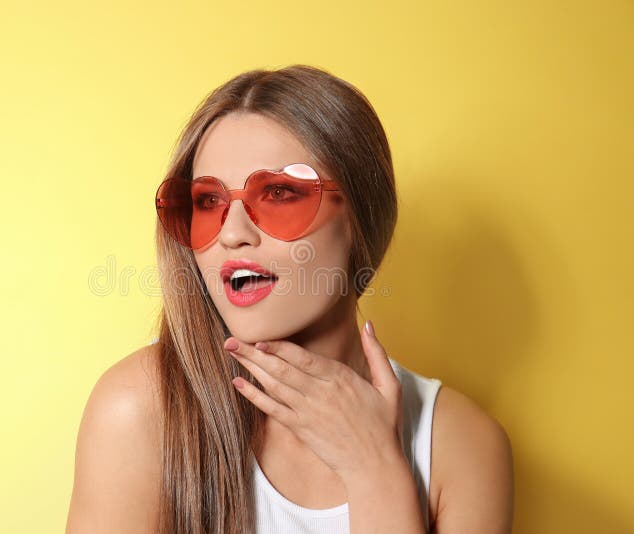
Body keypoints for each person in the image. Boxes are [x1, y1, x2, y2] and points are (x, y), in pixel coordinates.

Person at [65, 65, 514, 534]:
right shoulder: (137, 411)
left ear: (361, 216)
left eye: (279, 193)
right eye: (208, 202)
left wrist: (375, 470)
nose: (233, 234)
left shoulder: (461, 445)